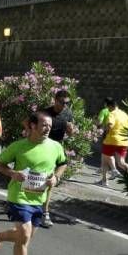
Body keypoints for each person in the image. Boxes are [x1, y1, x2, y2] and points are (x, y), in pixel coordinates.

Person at [0, 111, 67, 255]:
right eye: (44, 125)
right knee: (24, 234)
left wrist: (57, 178)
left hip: (39, 198)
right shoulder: (19, 146)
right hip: (18, 197)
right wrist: (13, 173)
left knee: (24, 237)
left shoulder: (55, 147)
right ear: (32, 125)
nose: (47, 129)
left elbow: (63, 163)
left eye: (50, 126)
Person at [38, 89, 74, 227]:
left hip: (55, 149)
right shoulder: (45, 113)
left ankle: (45, 213)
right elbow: (27, 123)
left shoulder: (68, 113)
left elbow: (70, 134)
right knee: (32, 176)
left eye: (67, 103)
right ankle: (19, 204)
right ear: (55, 100)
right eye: (62, 102)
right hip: (40, 147)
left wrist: (70, 130)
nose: (65, 105)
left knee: (50, 181)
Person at [99, 98, 128, 187]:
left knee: (104, 159)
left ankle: (104, 181)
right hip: (124, 141)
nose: (108, 110)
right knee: (121, 162)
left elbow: (110, 125)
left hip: (111, 140)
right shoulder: (125, 114)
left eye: (108, 108)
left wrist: (104, 130)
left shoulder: (112, 113)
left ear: (110, 106)